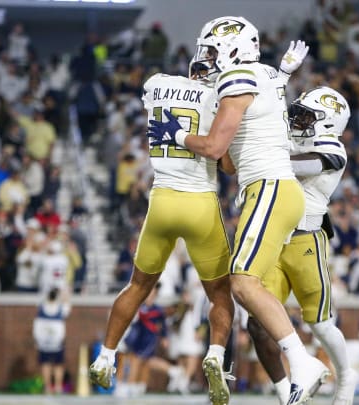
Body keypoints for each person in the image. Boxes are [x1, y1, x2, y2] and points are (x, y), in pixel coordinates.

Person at [147, 16, 327, 405]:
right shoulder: (258, 76)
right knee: (250, 300)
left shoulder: (239, 77)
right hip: (268, 190)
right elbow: (228, 162)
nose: (206, 58)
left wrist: (175, 132)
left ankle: (302, 361)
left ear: (232, 49)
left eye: (212, 50)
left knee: (243, 283)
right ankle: (287, 390)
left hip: (271, 188)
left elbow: (212, 149)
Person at [89, 24, 236, 405]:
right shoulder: (218, 100)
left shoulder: (156, 85)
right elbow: (226, 162)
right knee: (219, 294)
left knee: (137, 287)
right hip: (200, 201)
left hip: (163, 198)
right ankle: (216, 357)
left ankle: (106, 355)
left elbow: (158, 99)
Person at [240, 86, 357, 405]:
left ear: (329, 123)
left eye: (308, 116)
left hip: (307, 240)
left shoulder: (334, 148)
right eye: (300, 112)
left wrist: (262, 151)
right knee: (257, 321)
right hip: (275, 238)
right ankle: (285, 390)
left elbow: (298, 165)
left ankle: (346, 375)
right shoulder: (288, 138)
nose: (299, 119)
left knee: (319, 323)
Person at [33, 287, 71, 394]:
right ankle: (58, 386)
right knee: (58, 364)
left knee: (46, 364)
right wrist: (64, 292)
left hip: (44, 341)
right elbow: (67, 303)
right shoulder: (60, 309)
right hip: (57, 341)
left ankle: (47, 387)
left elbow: (36, 326)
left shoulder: (42, 308)